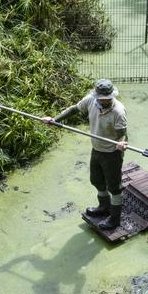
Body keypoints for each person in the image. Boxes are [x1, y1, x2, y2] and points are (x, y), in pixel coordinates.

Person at [44, 79, 128, 230]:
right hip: (96, 149)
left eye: (106, 100)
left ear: (111, 96)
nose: (103, 102)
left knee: (114, 187)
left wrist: (121, 143)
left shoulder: (119, 111)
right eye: (101, 99)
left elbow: (123, 135)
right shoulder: (91, 100)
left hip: (112, 153)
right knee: (96, 180)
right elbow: (74, 109)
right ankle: (104, 207)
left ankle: (115, 219)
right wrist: (54, 120)